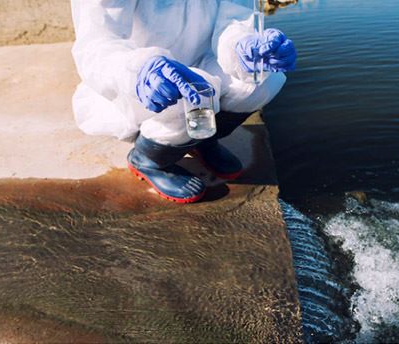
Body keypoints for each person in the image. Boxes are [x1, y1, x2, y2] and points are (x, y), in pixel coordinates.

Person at [70, 0, 297, 203]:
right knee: (183, 96)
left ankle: (202, 139)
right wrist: (138, 70)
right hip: (142, 77)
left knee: (262, 80)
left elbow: (234, 18)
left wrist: (244, 47)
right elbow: (96, 43)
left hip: (203, 63)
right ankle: (149, 159)